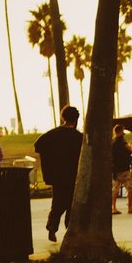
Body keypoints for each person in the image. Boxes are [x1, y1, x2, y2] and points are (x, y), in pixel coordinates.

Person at [34, 104, 83, 243]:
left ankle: (52, 227)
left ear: (63, 117)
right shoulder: (79, 137)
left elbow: (38, 146)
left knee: (57, 203)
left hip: (57, 176)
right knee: (72, 204)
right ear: (76, 119)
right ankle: (70, 228)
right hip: (73, 176)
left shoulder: (52, 134)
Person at [111, 124, 132, 214]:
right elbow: (130, 150)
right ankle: (130, 207)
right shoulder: (123, 142)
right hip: (125, 169)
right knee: (130, 188)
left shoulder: (112, 143)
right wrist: (131, 147)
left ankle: (113, 208)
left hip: (115, 170)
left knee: (115, 190)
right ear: (121, 132)